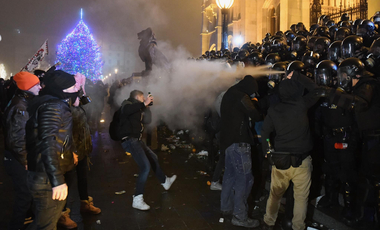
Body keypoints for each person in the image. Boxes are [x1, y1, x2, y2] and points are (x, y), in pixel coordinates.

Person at [261, 70, 320, 230]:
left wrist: (267, 151)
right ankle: (298, 227)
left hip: (280, 160)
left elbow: (265, 132)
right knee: (301, 198)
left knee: (275, 195)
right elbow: (317, 90)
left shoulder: (274, 109)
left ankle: (268, 223)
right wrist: (297, 76)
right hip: (301, 161)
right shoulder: (302, 105)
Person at [25, 70, 79, 230]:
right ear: (62, 89)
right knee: (46, 225)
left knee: (44, 222)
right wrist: (57, 181)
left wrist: (70, 151)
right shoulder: (54, 106)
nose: (75, 89)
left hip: (42, 172)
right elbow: (48, 141)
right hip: (47, 177)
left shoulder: (46, 101)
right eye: (72, 86)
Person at [120, 90, 176, 210]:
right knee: (145, 167)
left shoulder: (139, 108)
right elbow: (126, 111)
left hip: (137, 140)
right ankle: (137, 198)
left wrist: (147, 107)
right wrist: (143, 104)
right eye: (142, 97)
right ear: (137, 97)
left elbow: (147, 121)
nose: (144, 98)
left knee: (153, 157)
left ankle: (165, 182)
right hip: (130, 140)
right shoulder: (127, 103)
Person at [219, 75, 262, 228]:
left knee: (230, 176)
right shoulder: (242, 96)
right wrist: (255, 102)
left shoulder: (230, 92)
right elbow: (256, 115)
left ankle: (226, 207)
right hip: (239, 143)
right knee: (245, 179)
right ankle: (240, 216)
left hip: (228, 143)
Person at [3, 72, 41, 230]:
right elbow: (16, 140)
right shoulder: (20, 108)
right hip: (17, 161)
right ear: (28, 87)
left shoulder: (23, 102)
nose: (40, 87)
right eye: (36, 84)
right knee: (23, 197)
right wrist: (26, 160)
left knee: (26, 195)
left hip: (17, 159)